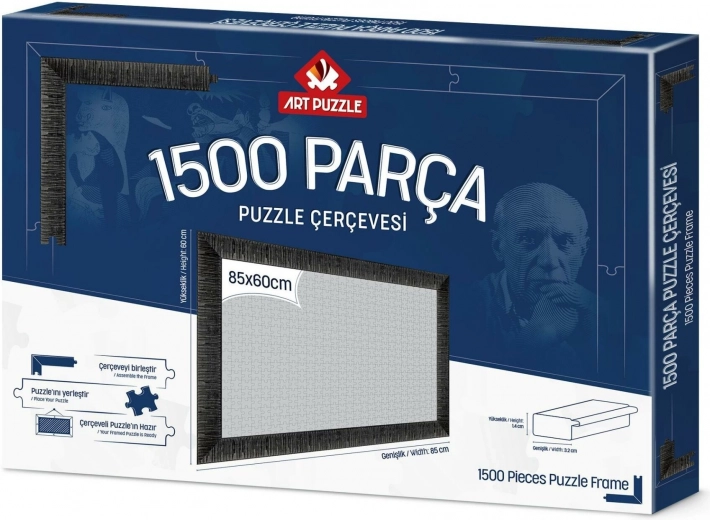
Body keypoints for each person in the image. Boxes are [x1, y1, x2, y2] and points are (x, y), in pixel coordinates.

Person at [473, 183, 598, 374]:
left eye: (564, 242)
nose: (549, 260)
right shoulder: (463, 308)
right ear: (498, 246)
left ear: (582, 252)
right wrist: (534, 340)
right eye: (529, 239)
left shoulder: (604, 318)